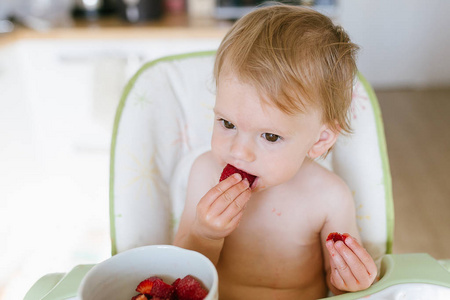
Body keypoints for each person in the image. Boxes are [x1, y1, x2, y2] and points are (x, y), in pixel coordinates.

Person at [173, 4, 377, 299]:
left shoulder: (330, 196)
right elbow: (181, 275)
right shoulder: (204, 173)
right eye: (227, 123)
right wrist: (205, 234)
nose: (238, 151)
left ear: (320, 140)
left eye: (270, 136)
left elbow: (335, 284)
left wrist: (349, 281)